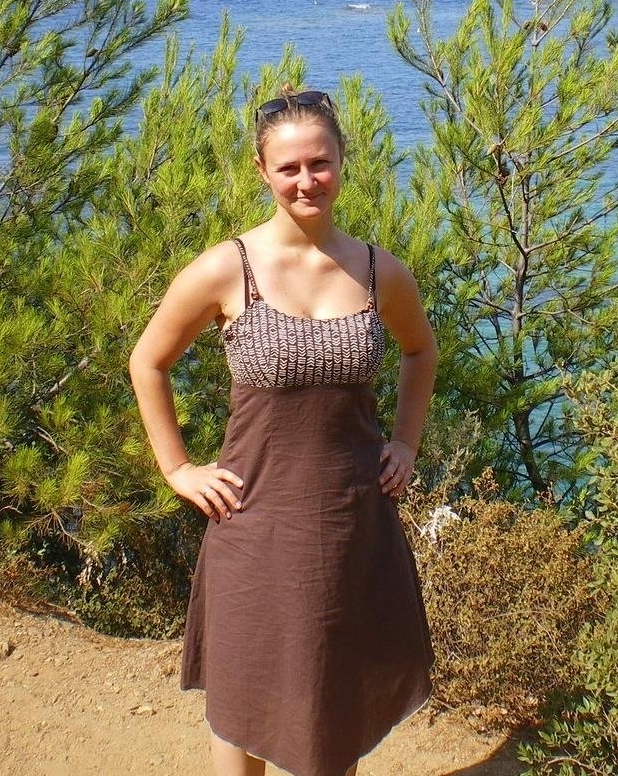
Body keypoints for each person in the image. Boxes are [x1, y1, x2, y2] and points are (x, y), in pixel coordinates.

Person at [128, 86, 438, 776]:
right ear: (261, 170)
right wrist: (177, 468)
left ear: (342, 160)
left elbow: (421, 351)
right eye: (289, 167)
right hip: (254, 517)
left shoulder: (378, 271)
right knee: (244, 690)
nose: (306, 181)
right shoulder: (225, 268)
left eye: (319, 163)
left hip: (351, 522)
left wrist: (405, 441)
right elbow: (147, 361)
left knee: (334, 692)